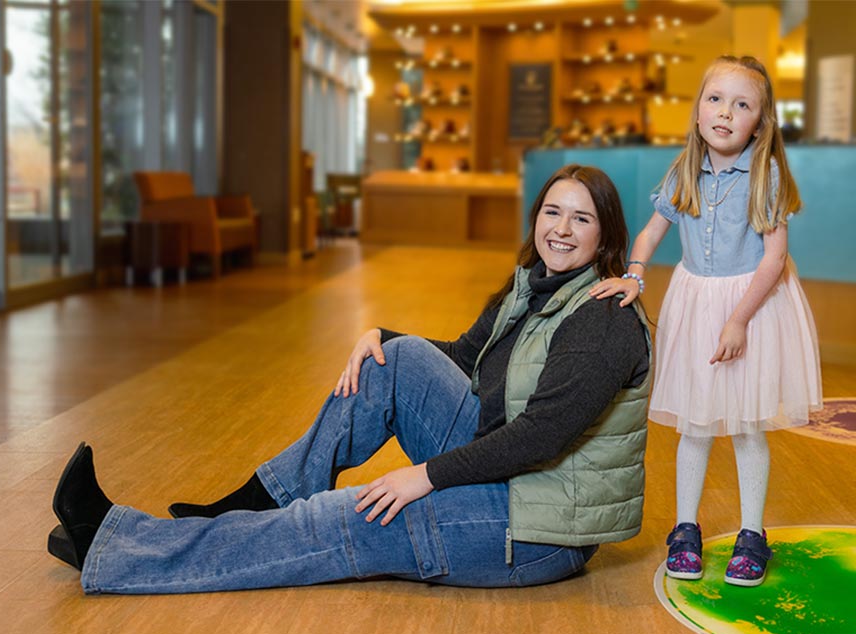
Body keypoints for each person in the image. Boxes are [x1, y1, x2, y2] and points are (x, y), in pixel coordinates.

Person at [47, 164, 652, 594]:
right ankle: (259, 502)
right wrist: (380, 340)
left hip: (536, 526)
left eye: (582, 219)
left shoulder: (602, 317)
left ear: (606, 238)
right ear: (536, 216)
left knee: (339, 520)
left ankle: (119, 547)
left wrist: (424, 476)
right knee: (399, 359)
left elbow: (540, 438)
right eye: (553, 212)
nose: (562, 230)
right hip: (501, 474)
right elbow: (463, 357)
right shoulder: (531, 287)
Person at [590, 56, 822, 588]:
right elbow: (650, 233)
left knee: (745, 427)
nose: (725, 113)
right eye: (715, 99)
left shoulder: (767, 173)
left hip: (751, 306)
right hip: (695, 305)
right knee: (695, 425)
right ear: (697, 111)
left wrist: (739, 320)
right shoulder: (682, 172)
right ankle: (685, 529)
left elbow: (774, 259)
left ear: (760, 123)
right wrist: (634, 273)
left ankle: (751, 535)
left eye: (742, 105)